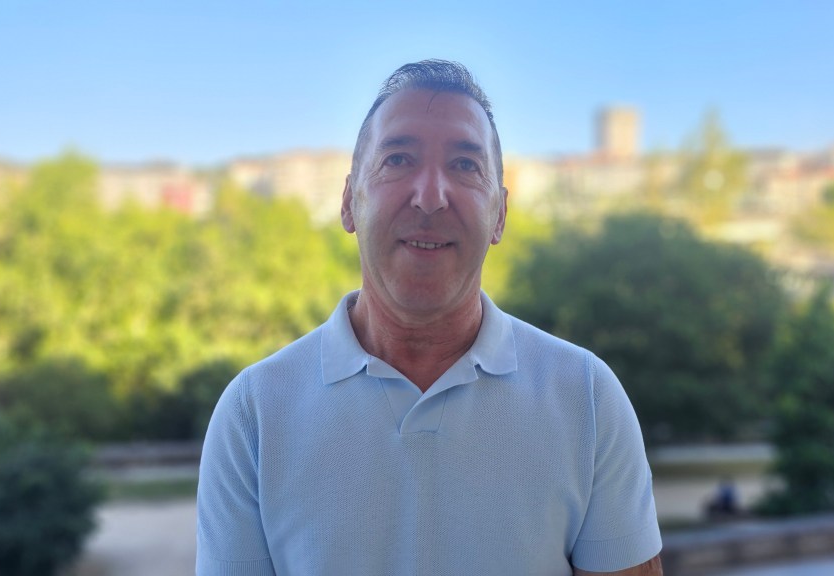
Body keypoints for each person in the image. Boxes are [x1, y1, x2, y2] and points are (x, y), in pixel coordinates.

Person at [196, 59, 663, 576]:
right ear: (349, 202)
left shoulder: (587, 398)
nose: (431, 197)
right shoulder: (254, 413)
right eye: (398, 159)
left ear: (500, 214)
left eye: (465, 165)